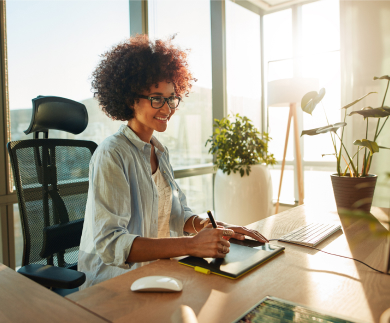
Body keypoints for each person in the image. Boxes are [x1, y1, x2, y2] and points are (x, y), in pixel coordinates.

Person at [78, 35, 268, 289]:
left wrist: (216, 227)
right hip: (114, 284)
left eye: (171, 98)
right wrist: (192, 245)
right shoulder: (111, 154)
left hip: (156, 273)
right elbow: (110, 243)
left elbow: (178, 216)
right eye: (157, 98)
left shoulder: (160, 151)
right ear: (130, 100)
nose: (167, 108)